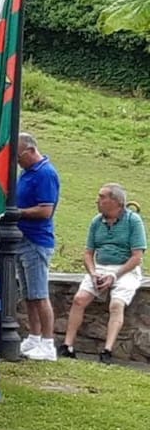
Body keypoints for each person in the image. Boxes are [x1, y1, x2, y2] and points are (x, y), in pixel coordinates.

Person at [61, 183, 146, 363]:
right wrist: (93, 273)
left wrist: (115, 275)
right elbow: (88, 253)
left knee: (116, 304)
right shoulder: (96, 221)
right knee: (79, 299)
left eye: (101, 197)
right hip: (100, 267)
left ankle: (107, 350)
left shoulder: (133, 221)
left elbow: (137, 257)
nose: (97, 201)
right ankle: (67, 345)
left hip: (126, 269)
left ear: (115, 201)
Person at [14, 132, 61, 362]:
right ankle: (34, 336)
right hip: (23, 238)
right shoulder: (27, 173)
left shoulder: (45, 174)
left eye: (19, 156)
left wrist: (17, 212)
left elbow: (45, 210)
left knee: (39, 294)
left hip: (37, 240)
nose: (18, 161)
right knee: (28, 294)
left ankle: (48, 342)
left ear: (31, 151)